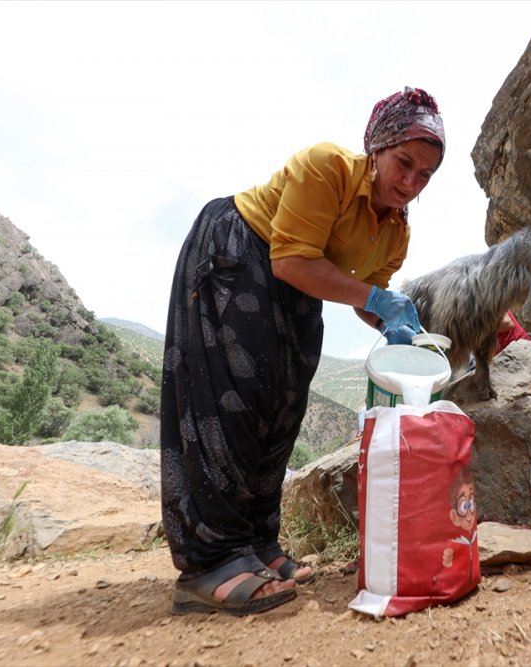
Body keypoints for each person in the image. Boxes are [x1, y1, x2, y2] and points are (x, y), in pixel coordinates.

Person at [160, 87, 445, 616]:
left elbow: (362, 294)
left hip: (299, 286)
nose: (411, 182)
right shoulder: (326, 168)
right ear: (378, 149)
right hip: (239, 250)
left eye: (425, 175)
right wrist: (376, 297)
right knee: (234, 400)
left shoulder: (396, 231)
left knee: (282, 405)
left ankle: (258, 544)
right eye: (404, 163)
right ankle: (210, 562)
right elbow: (291, 258)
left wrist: (393, 320)